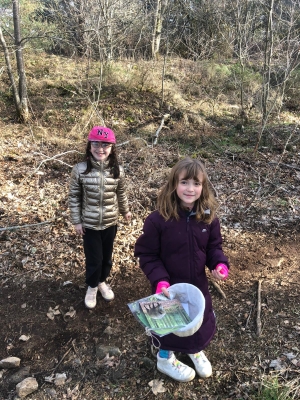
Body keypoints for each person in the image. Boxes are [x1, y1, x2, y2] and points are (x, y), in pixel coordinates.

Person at [134, 157, 229, 382]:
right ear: (174, 184)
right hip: (167, 286)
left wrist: (220, 264)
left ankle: (193, 349)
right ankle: (165, 358)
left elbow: (214, 247)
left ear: (203, 187)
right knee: (168, 323)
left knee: (196, 318)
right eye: (184, 182)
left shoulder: (208, 219)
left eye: (196, 183)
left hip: (197, 283)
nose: (190, 188)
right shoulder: (158, 220)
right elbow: (147, 254)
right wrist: (160, 280)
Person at [69, 126, 131, 309]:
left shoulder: (117, 170)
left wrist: (125, 210)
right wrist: (76, 221)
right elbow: (74, 197)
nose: (100, 148)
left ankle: (102, 281)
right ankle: (92, 285)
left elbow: (121, 193)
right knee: (94, 258)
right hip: (89, 224)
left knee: (107, 257)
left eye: (105, 145)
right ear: (89, 146)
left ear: (112, 148)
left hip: (110, 222)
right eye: (96, 144)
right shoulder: (80, 170)